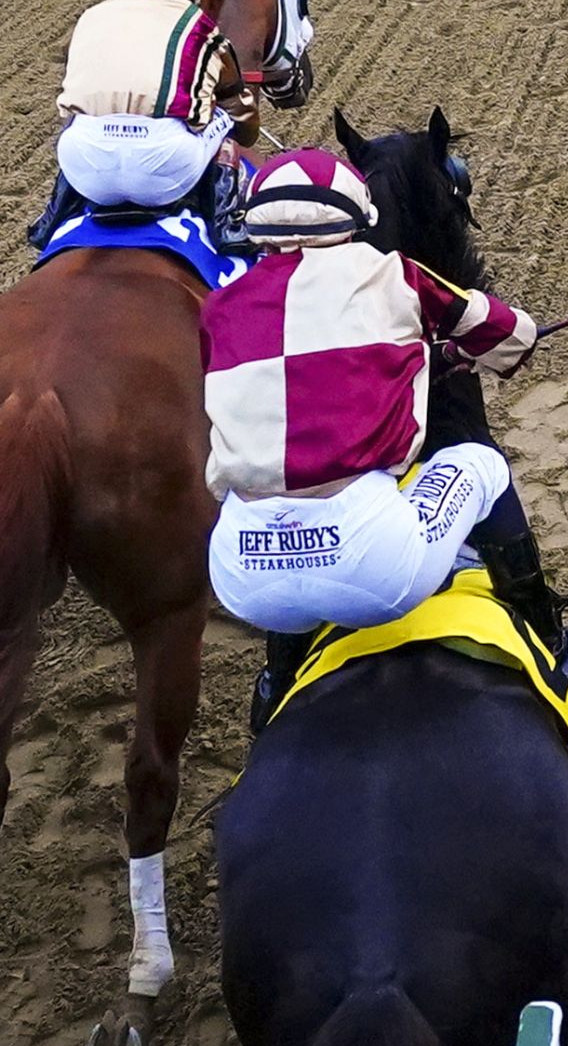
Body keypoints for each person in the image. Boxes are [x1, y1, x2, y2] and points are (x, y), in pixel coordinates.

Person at [202, 142, 540, 662]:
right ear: (357, 216)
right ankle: (547, 628)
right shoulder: (395, 275)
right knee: (483, 463)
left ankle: (276, 678)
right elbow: (511, 336)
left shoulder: (219, 305)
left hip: (242, 575)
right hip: (372, 568)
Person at [50, 0, 236, 226]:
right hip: (162, 168)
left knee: (75, 124)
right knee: (224, 121)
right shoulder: (197, 25)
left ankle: (52, 216)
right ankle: (227, 225)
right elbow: (198, 118)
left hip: (83, 165)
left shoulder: (90, 17)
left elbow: (69, 103)